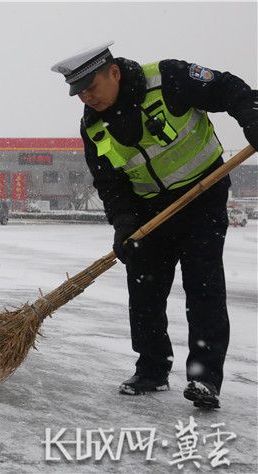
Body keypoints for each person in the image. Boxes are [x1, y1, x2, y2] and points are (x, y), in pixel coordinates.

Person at [51, 42, 258, 409]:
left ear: (113, 72)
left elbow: (228, 88)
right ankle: (151, 369)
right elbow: (109, 182)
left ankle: (205, 379)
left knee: (203, 287)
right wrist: (124, 223)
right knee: (144, 289)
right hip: (150, 211)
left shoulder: (169, 78)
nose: (87, 97)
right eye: (79, 92)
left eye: (91, 87)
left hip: (203, 195)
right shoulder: (93, 125)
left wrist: (253, 117)